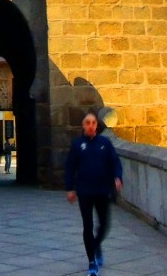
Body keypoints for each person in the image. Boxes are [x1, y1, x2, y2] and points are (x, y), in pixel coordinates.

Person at [65, 110, 123, 276]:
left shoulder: (105, 143)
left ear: (97, 125)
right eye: (87, 123)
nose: (90, 126)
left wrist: (117, 177)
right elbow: (70, 167)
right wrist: (70, 188)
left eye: (93, 123)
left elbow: (115, 162)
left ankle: (96, 245)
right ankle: (91, 261)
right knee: (88, 226)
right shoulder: (77, 145)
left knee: (104, 224)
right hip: (85, 192)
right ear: (83, 126)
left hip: (102, 190)